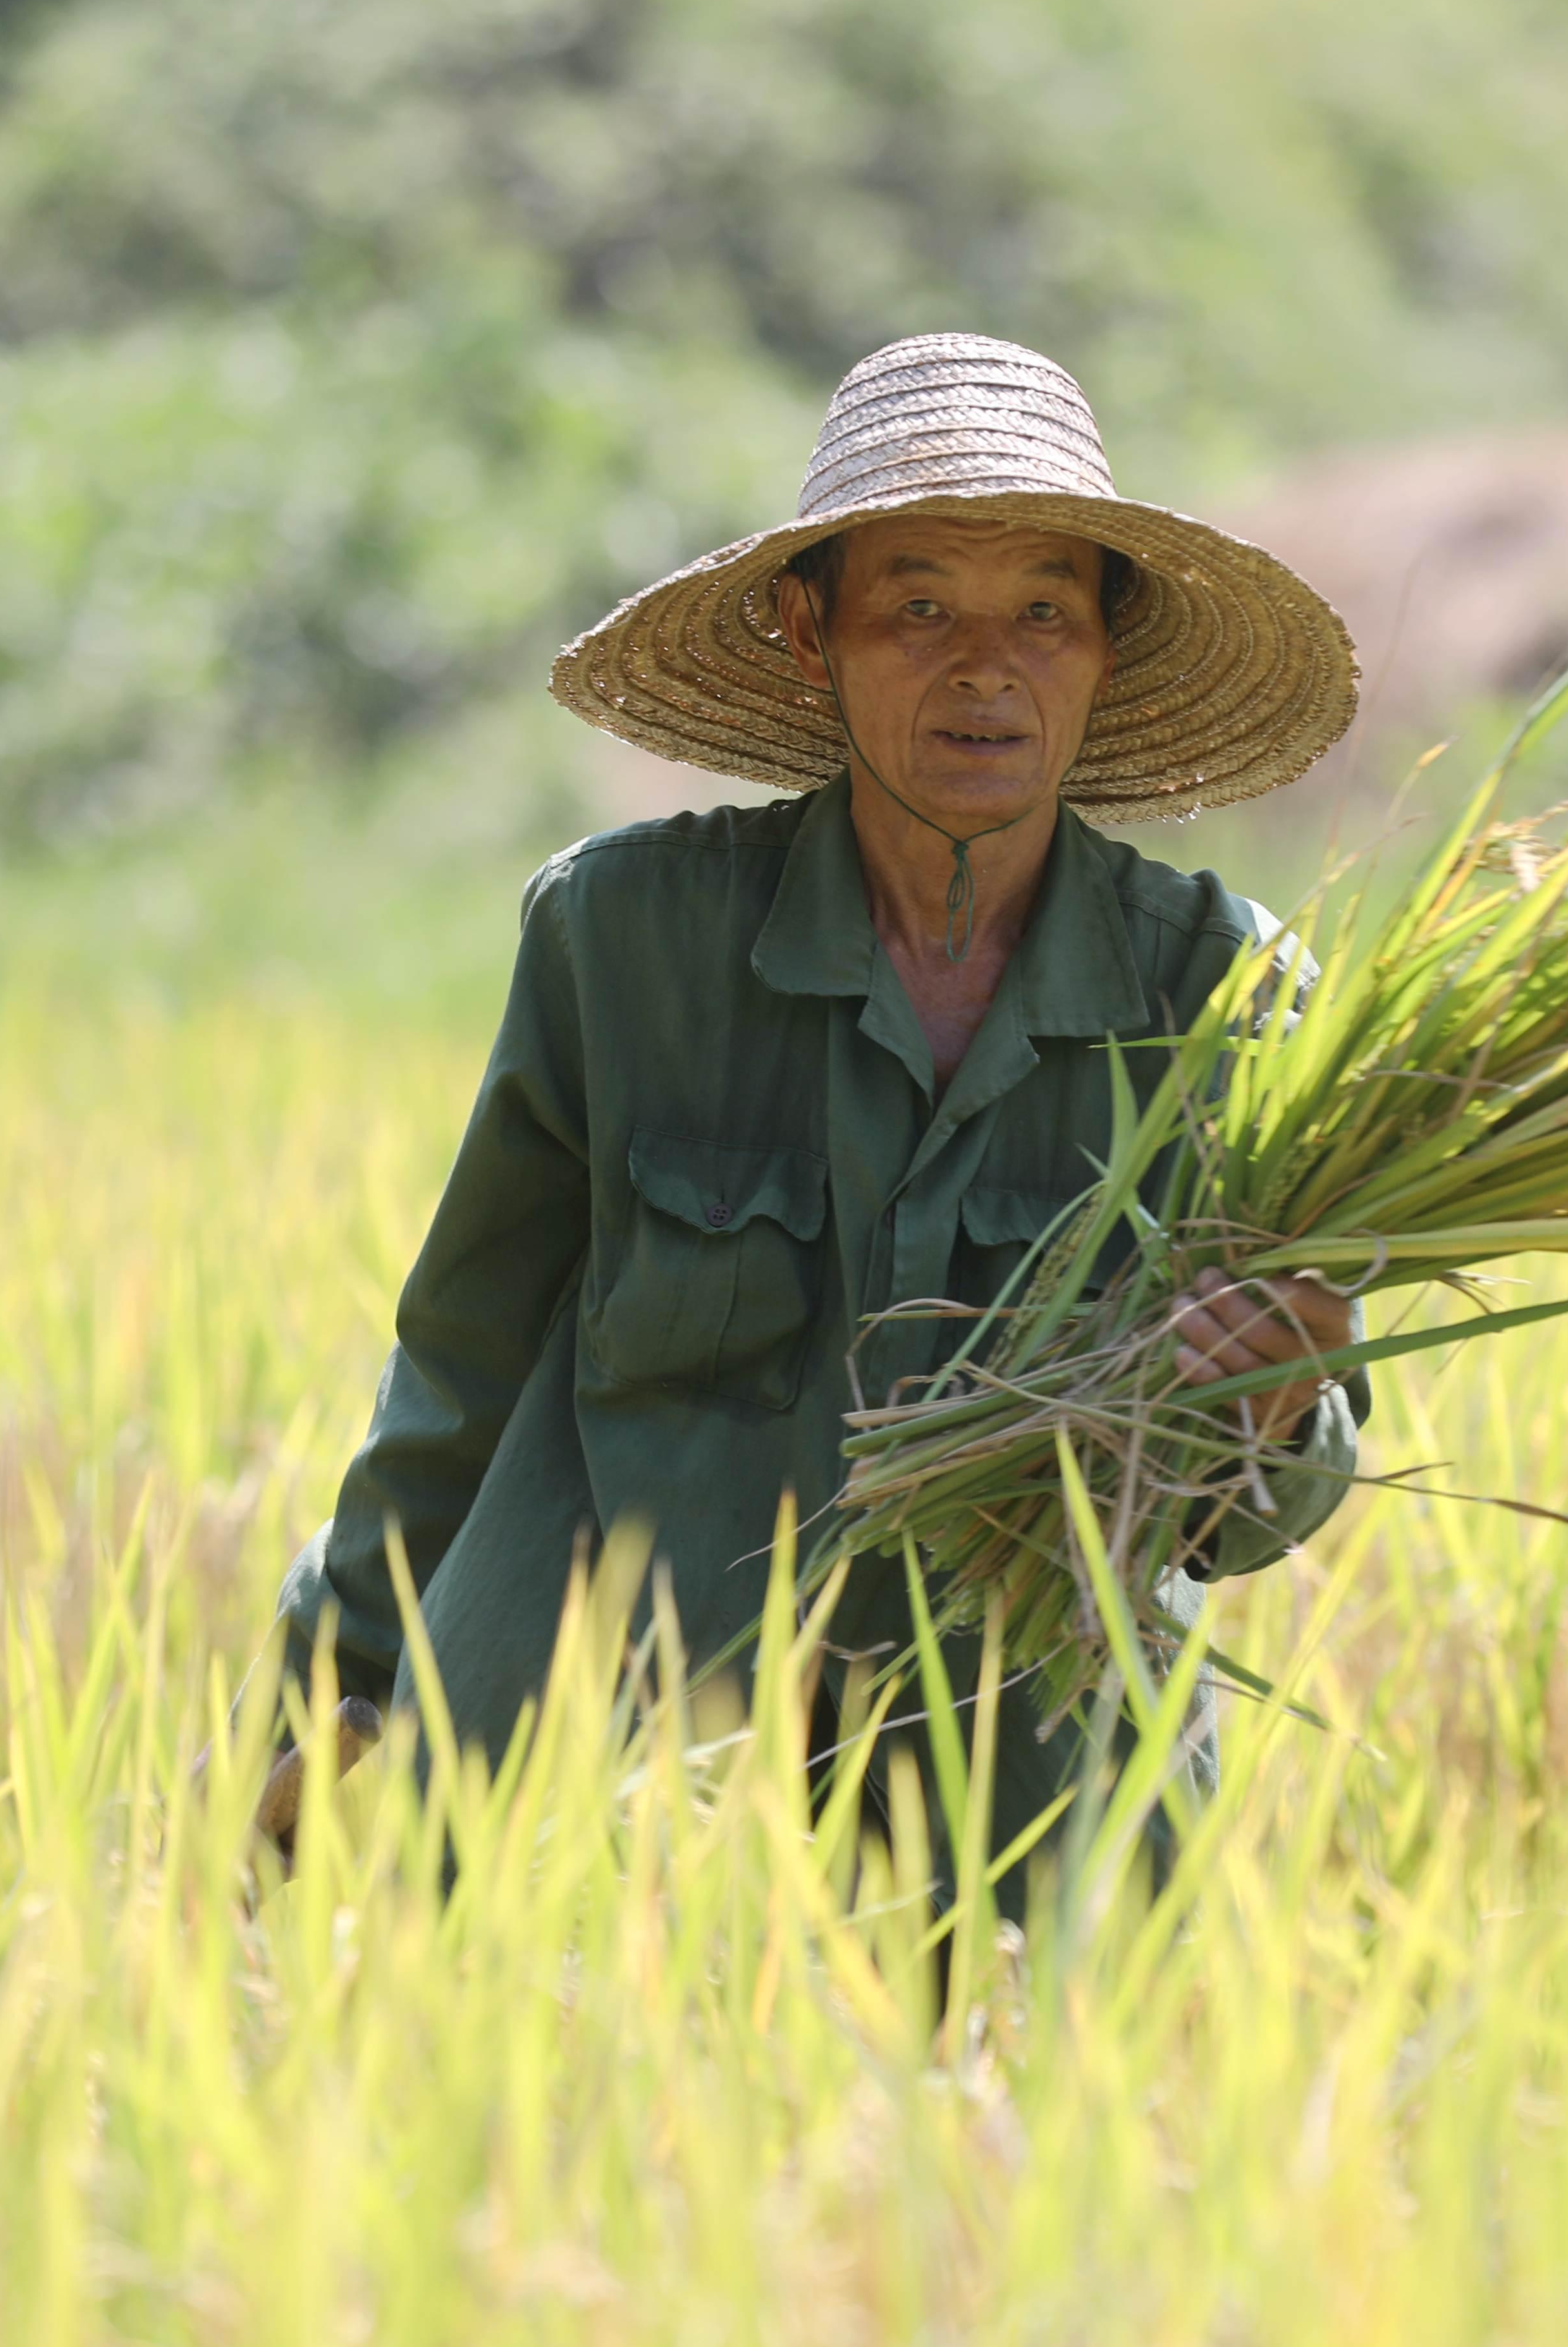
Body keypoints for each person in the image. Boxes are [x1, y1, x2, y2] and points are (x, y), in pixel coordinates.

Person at [268, 332, 1367, 1890]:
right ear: (810, 631)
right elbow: (464, 1357)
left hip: (1021, 1789)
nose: (983, 667)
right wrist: (329, 1694)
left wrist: (1273, 1396)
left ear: (1104, 647)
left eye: (1042, 613)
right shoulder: (622, 940)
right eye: (916, 607)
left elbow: (1252, 1510)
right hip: (598, 1778)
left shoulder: (1220, 994)